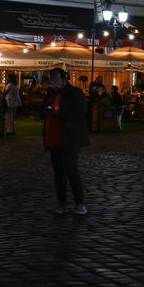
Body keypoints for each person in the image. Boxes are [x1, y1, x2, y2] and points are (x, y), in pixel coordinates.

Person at [42, 67, 89, 215]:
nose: (53, 82)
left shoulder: (75, 93)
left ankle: (79, 203)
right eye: (51, 80)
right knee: (58, 172)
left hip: (70, 137)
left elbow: (80, 112)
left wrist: (59, 113)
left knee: (71, 170)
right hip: (53, 137)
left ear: (64, 79)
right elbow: (43, 108)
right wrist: (46, 111)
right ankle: (62, 203)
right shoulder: (50, 93)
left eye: (55, 79)